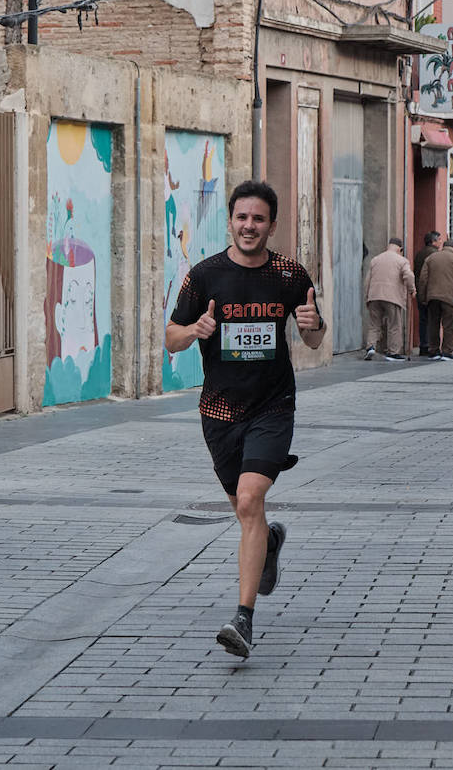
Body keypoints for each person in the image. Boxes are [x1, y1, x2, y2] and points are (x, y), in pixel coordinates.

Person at [166, 180, 325, 659]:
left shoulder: (290, 275)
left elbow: (315, 339)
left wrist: (310, 326)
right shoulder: (204, 276)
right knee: (245, 511)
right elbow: (171, 338)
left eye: (258, 219)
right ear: (230, 221)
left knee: (252, 499)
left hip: (272, 405)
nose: (249, 226)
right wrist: (194, 329)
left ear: (271, 225)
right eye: (241, 217)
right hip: (218, 412)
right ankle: (270, 544)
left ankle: (243, 618)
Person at [364, 237, 415, 362]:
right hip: (393, 297)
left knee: (374, 324)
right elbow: (408, 275)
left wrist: (367, 296)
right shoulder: (402, 261)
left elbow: (367, 280)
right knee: (394, 324)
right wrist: (412, 289)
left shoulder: (376, 259)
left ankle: (371, 346)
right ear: (400, 249)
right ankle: (393, 352)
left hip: (374, 296)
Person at [420, 238, 453, 361]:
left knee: (433, 324)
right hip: (449, 298)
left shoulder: (431, 258)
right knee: (448, 326)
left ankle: (434, 351)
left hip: (433, 297)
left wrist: (423, 297)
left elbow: (423, 280)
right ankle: (447, 352)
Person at [412, 231, 442, 356]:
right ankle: (431, 347)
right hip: (431, 292)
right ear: (433, 241)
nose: (441, 242)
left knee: (423, 319)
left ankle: (424, 345)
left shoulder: (419, 254)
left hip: (421, 292)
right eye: (439, 239)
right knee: (433, 319)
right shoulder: (435, 255)